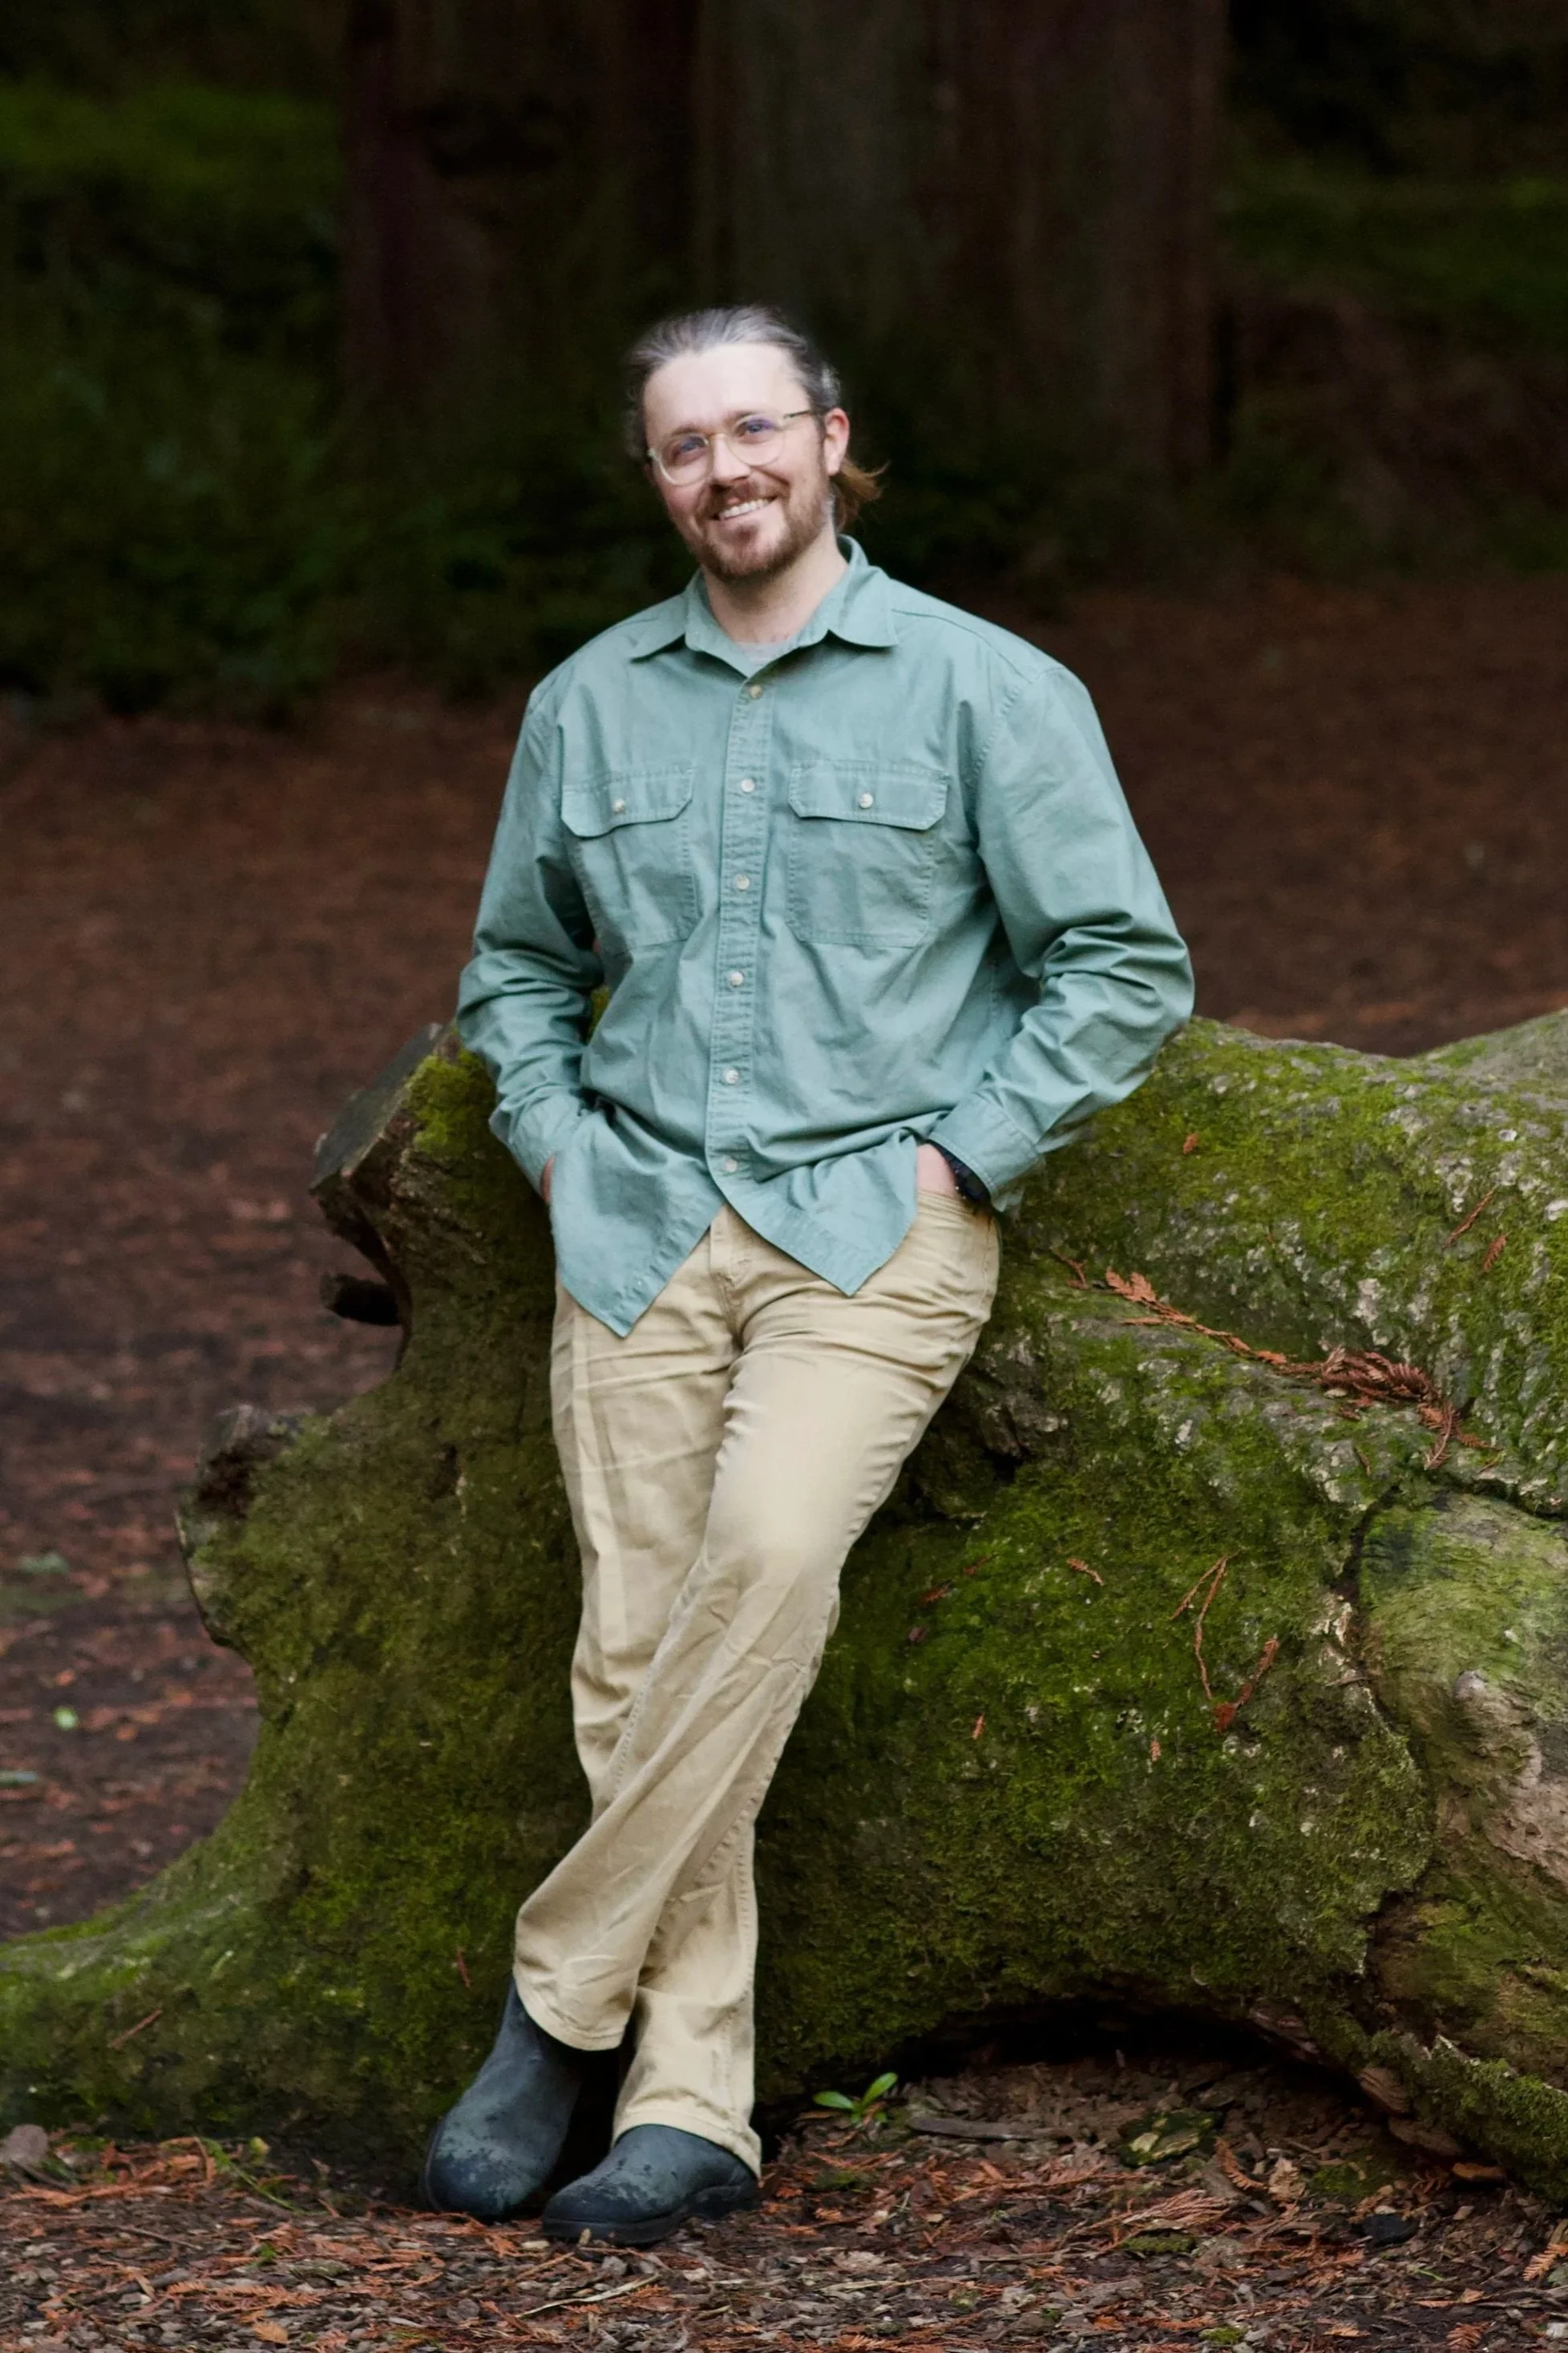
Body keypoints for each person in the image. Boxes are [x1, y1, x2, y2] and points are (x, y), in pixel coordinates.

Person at [428, 303, 1193, 2246]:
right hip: (635, 1219)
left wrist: (965, 1153)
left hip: (873, 1227)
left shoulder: (987, 688)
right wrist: (553, 1137)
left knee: (763, 1560)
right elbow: (516, 968)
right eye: (686, 446)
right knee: (634, 1652)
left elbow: (1122, 962)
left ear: (833, 440)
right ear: (658, 478)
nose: (727, 471)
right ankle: (689, 2108)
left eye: (756, 430)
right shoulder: (589, 703)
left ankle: (552, 2003)